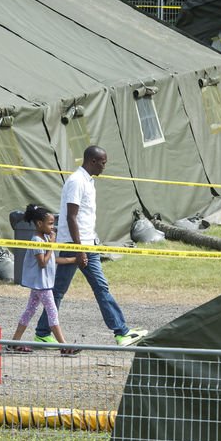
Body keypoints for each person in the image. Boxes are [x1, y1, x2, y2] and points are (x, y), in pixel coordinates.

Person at [34, 145, 147, 347]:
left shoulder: (88, 181)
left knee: (76, 289)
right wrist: (79, 249)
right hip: (76, 244)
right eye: (103, 162)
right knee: (79, 289)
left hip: (86, 243)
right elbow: (71, 217)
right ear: (92, 161)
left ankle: (43, 332)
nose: (104, 166)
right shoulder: (76, 181)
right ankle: (121, 332)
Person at [8, 204, 80, 356]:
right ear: (40, 224)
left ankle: (14, 343)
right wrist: (51, 245)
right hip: (42, 285)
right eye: (50, 224)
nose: (53, 227)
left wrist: (74, 260)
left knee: (30, 311)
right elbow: (42, 262)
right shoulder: (37, 240)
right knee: (52, 312)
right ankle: (64, 346)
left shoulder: (45, 238)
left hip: (41, 284)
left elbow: (52, 259)